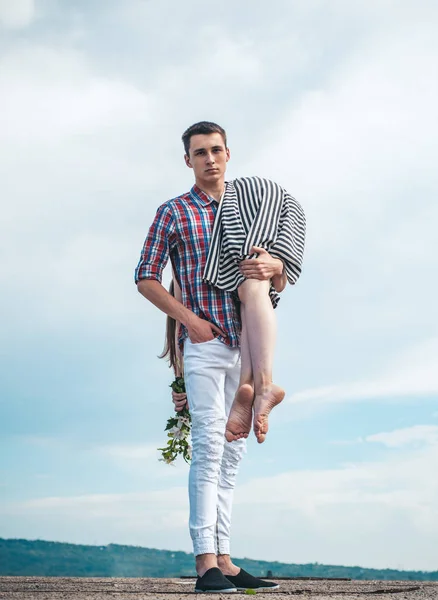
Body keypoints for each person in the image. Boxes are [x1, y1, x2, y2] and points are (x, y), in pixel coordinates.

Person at [135, 121, 291, 593]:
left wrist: (276, 267)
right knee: (208, 447)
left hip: (246, 350)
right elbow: (145, 276)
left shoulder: (250, 209)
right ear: (188, 160)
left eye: (216, 150)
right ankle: (205, 563)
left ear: (229, 154)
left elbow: (278, 282)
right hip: (204, 345)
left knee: (234, 453)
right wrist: (189, 321)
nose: (210, 158)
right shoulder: (174, 212)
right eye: (199, 152)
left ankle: (225, 559)